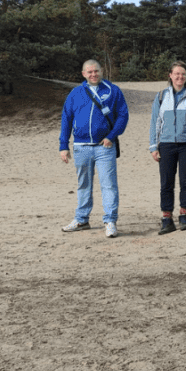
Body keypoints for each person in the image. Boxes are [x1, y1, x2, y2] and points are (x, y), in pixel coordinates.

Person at [59, 59, 129, 238]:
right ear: (83, 74)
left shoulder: (113, 91)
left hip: (104, 147)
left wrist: (111, 136)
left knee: (109, 185)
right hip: (81, 147)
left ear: (101, 71)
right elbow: (66, 118)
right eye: (89, 72)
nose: (93, 74)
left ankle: (110, 221)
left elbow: (122, 115)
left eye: (96, 71)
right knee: (84, 185)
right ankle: (82, 219)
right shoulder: (75, 93)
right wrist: (63, 145)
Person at [149, 60, 186, 235]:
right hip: (166, 144)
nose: (180, 76)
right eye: (177, 73)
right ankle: (167, 218)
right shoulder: (161, 96)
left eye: (183, 74)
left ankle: (184, 214)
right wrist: (153, 146)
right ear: (170, 75)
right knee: (166, 182)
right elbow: (155, 122)